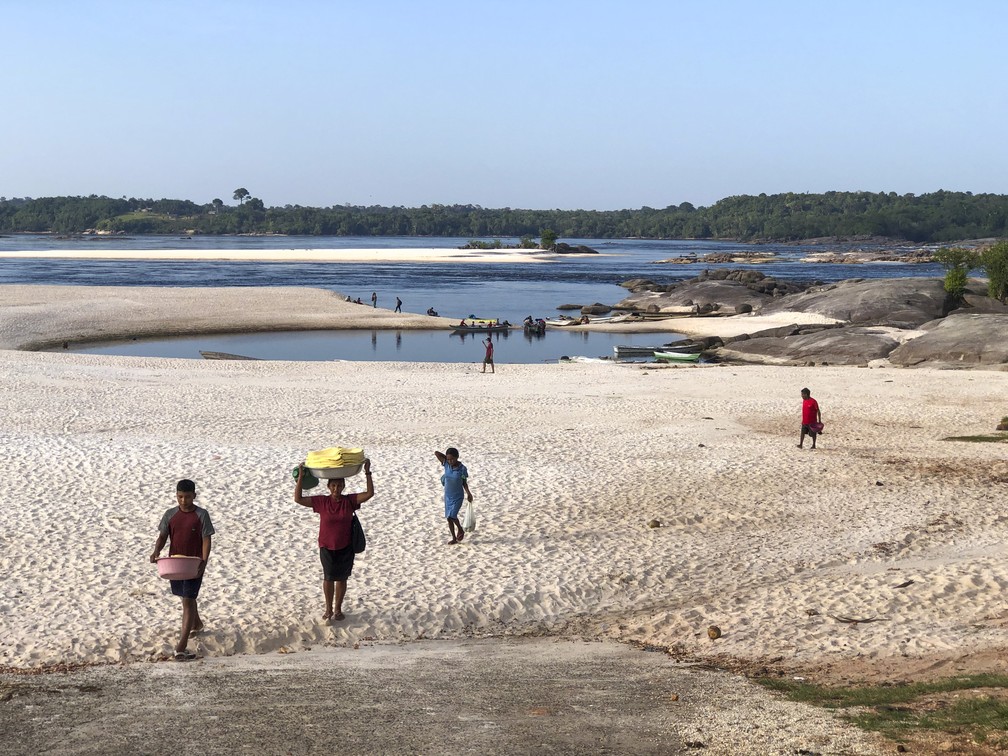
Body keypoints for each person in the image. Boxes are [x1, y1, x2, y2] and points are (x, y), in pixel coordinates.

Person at [294, 459, 374, 621]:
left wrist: (367, 472)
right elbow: (298, 499)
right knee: (328, 577)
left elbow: (369, 494)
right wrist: (301, 477)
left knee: (342, 578)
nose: (336, 489)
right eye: (333, 486)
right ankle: (328, 609)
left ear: (343, 486)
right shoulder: (322, 502)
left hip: (346, 547)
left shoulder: (349, 501)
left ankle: (338, 610)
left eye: (339, 486)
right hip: (326, 546)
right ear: (328, 487)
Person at [150, 479, 214, 661]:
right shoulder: (170, 514)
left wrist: (204, 560)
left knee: (188, 599)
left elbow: (206, 539)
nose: (183, 501)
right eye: (180, 497)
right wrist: (156, 552)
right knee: (184, 596)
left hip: (194, 564)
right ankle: (197, 623)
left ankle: (181, 646)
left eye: (187, 497)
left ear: (194, 496)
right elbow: (162, 536)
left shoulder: (202, 515)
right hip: (175, 564)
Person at [434, 447, 473, 545]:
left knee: (452, 515)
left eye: (452, 459)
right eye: (449, 459)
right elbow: (436, 453)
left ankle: (460, 529)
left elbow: (464, 482)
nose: (450, 461)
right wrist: (446, 458)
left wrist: (468, 493)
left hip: (457, 496)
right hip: (448, 496)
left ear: (457, 457)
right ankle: (454, 538)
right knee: (448, 518)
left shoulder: (462, 469)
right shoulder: (446, 465)